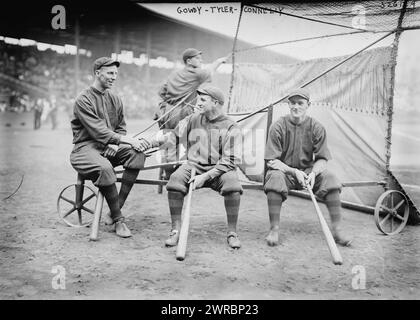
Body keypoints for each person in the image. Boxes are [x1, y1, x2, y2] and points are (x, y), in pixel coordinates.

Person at [145, 85, 244, 249]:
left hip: (220, 170)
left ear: (215, 103)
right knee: (175, 181)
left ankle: (232, 232)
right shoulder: (192, 119)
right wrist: (151, 143)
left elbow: (231, 160)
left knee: (233, 187)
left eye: (203, 100)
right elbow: (173, 137)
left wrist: (205, 177)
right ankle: (175, 230)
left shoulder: (231, 126)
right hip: (193, 166)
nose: (198, 103)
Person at [70, 57, 149, 238]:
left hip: (108, 146)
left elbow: (121, 126)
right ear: (98, 73)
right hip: (84, 149)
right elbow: (98, 131)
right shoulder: (83, 100)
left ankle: (115, 208)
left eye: (116, 74)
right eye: (110, 73)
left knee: (137, 154)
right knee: (105, 168)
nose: (114, 77)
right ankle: (118, 219)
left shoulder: (115, 98)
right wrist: (119, 140)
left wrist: (114, 143)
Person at [263, 88, 352, 247]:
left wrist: (313, 173)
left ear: (308, 105)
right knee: (274, 178)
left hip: (308, 175)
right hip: (285, 173)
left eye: (300, 103)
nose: (296, 107)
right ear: (288, 104)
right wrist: (293, 171)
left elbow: (322, 159)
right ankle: (274, 229)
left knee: (330, 179)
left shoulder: (316, 127)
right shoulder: (278, 126)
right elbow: (272, 161)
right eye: (292, 103)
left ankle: (338, 230)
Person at [156, 48, 229, 176]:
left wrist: (167, 105)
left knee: (169, 143)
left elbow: (161, 92)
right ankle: (175, 175)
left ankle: (168, 173)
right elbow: (210, 72)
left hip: (167, 112)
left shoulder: (174, 73)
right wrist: (218, 61)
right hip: (182, 112)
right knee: (186, 143)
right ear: (188, 61)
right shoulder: (196, 73)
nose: (201, 60)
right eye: (198, 58)